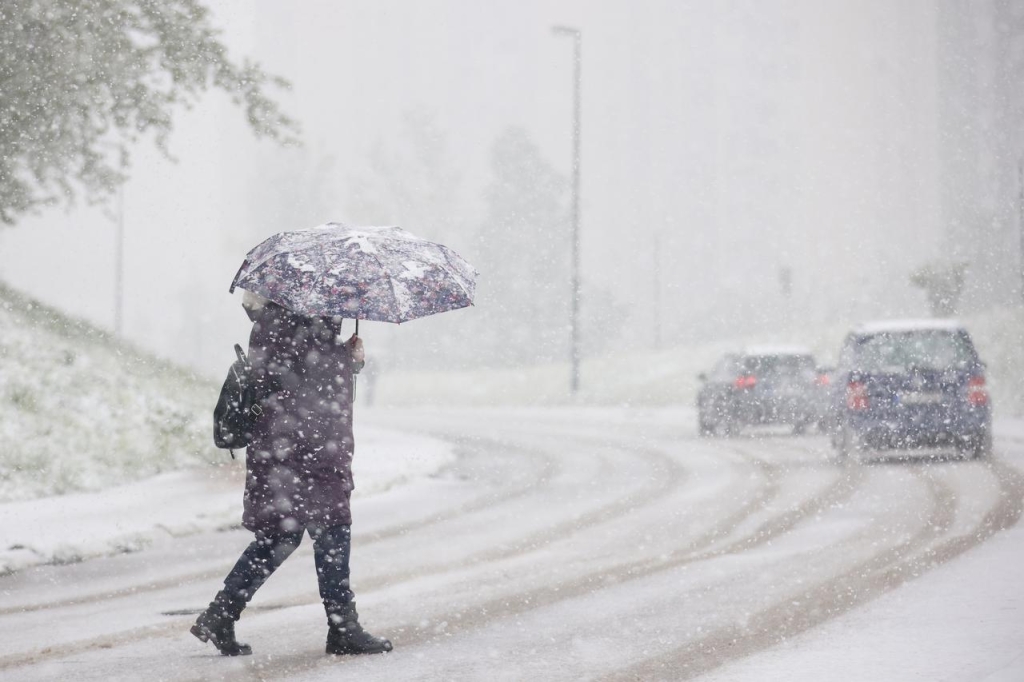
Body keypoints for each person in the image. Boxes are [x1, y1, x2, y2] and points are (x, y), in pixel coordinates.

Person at [191, 291, 392, 657]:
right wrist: (350, 360)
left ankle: (220, 614)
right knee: (332, 531)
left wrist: (344, 359)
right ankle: (343, 628)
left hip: (281, 450)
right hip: (311, 451)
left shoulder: (272, 327)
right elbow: (315, 388)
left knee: (278, 537)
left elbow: (292, 382)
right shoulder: (307, 329)